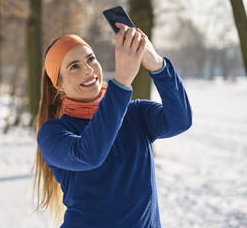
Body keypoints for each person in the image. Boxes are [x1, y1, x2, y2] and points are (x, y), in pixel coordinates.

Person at [31, 22, 192, 228]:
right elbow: (89, 154)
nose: (88, 70)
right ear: (59, 84)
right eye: (74, 66)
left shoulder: (134, 114)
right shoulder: (53, 134)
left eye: (91, 59)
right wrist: (122, 82)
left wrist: (158, 66)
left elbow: (181, 120)